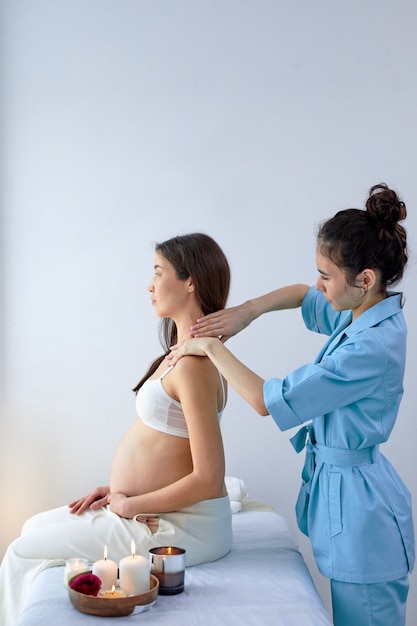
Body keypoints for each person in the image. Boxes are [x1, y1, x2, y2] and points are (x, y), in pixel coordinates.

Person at [167, 185, 415, 626]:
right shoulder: (363, 311)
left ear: (366, 279)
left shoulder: (370, 348)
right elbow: (302, 294)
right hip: (357, 500)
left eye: (327, 275)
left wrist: (210, 347)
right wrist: (248, 311)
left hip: (365, 519)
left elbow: (266, 401)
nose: (320, 285)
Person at [0, 233, 232, 626]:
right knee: (33, 526)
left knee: (22, 550)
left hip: (184, 527)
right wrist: (122, 491)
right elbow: (171, 448)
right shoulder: (182, 353)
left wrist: (132, 504)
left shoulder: (195, 365)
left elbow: (209, 479)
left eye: (158, 272)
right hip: (159, 507)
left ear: (189, 281)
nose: (150, 284)